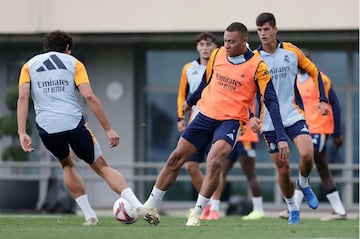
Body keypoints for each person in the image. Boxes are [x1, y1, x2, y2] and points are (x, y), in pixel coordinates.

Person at [143, 22, 290, 226]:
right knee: (175, 158)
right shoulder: (218, 54)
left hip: (231, 121)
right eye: (225, 40)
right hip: (204, 115)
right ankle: (149, 206)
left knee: (214, 160)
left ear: (244, 41)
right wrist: (191, 101)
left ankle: (197, 212)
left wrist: (281, 137)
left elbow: (272, 102)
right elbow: (206, 80)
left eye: (231, 41)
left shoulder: (258, 66)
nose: (226, 45)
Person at [16, 30, 160, 226]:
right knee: (101, 167)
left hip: (46, 127)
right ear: (68, 48)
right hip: (73, 122)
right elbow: (89, 96)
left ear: (46, 47)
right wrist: (108, 128)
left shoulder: (28, 66)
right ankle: (139, 205)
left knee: (67, 164)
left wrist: (22, 132)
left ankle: (89, 215)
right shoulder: (74, 63)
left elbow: (23, 98)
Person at [252, 12, 329, 224]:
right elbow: (247, 92)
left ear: (275, 29)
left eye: (266, 29)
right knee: (283, 170)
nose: (263, 34)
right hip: (268, 121)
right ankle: (292, 207)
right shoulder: (254, 59)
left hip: (293, 113)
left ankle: (303, 183)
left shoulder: (292, 51)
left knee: (307, 155)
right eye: (259, 30)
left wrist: (323, 99)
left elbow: (315, 72)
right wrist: (250, 116)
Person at [278, 49, 347, 221]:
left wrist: (337, 133)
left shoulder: (321, 79)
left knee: (306, 162)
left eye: (303, 60)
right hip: (304, 129)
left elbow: (335, 105)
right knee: (322, 168)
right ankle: (339, 211)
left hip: (320, 129)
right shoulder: (293, 80)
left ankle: (292, 207)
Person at [176, 32, 219, 218]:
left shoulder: (220, 66)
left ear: (215, 47)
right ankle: (206, 204)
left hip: (217, 121)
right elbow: (182, 95)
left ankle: (215, 208)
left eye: (209, 44)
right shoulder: (188, 68)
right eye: (201, 44)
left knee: (214, 163)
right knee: (190, 166)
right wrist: (180, 117)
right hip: (196, 122)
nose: (205, 48)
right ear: (197, 47)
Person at [209, 100, 265, 221]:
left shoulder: (248, 85)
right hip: (231, 133)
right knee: (221, 171)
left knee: (250, 173)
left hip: (246, 137)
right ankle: (214, 208)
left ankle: (259, 209)